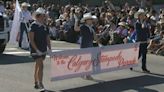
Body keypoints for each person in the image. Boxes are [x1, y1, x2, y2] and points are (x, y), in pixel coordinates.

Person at [28, 7, 51, 91]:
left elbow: (47, 38)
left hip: (43, 48)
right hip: (35, 49)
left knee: (38, 66)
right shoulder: (33, 25)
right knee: (41, 66)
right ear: (37, 16)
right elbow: (31, 39)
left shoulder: (45, 27)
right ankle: (40, 83)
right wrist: (36, 49)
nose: (43, 17)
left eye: (44, 16)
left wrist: (50, 49)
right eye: (41, 16)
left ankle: (36, 83)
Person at [74, 13, 97, 79]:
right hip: (84, 45)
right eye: (90, 19)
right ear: (86, 20)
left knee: (89, 60)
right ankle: (83, 73)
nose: (91, 20)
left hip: (90, 45)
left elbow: (95, 38)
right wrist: (76, 21)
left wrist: (96, 36)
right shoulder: (83, 27)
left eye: (91, 19)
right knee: (84, 60)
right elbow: (76, 29)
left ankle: (87, 74)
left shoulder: (91, 28)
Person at [132, 9, 150, 73]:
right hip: (139, 41)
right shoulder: (137, 23)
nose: (142, 16)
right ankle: (132, 63)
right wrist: (143, 27)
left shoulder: (146, 23)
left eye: (143, 15)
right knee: (138, 55)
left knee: (144, 55)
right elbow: (139, 32)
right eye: (141, 15)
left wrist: (148, 37)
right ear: (139, 16)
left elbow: (148, 31)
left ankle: (144, 68)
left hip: (144, 40)